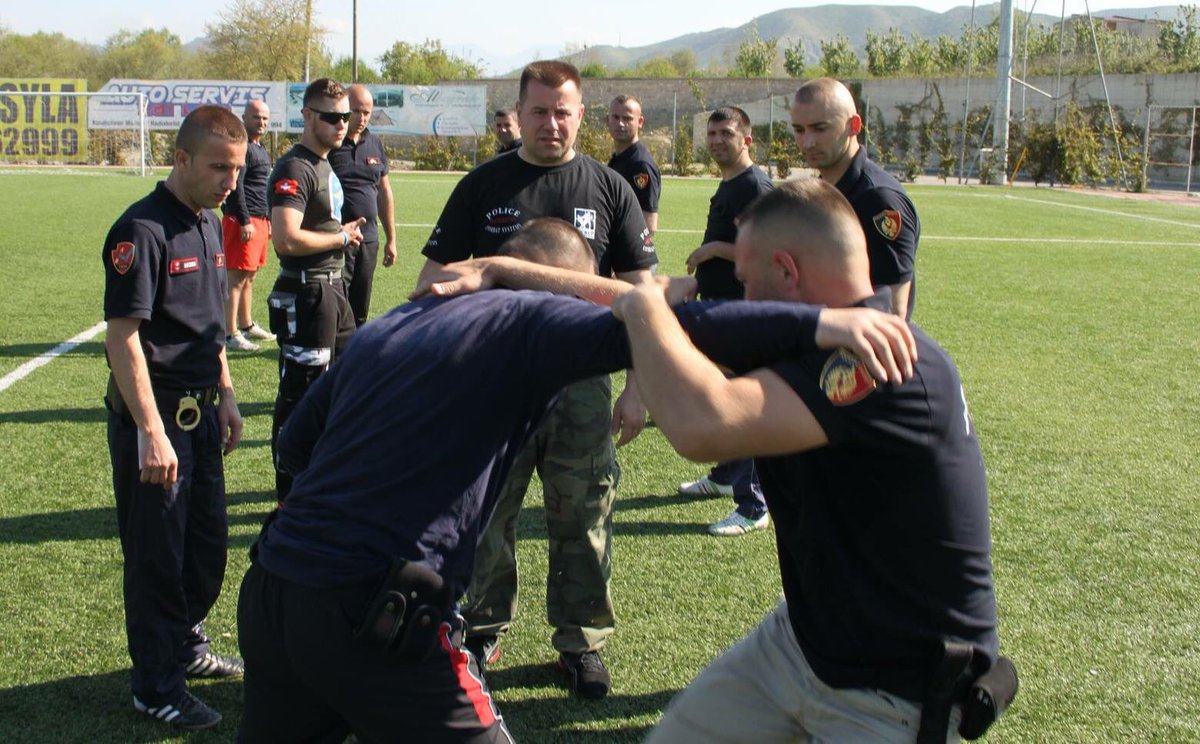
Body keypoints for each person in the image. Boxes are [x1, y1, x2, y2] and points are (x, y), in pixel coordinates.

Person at [237, 216, 916, 743]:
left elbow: (296, 446)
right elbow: (675, 320)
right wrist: (824, 320)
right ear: (567, 288)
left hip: (272, 592)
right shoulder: (534, 318)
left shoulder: (398, 320)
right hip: (372, 611)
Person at [615, 179, 1001, 744]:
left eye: (747, 282)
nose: (742, 300)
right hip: (802, 640)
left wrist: (645, 305)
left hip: (893, 687)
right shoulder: (804, 335)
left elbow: (702, 425)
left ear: (787, 272)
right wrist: (499, 269)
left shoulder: (883, 364)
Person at [417, 60, 656, 699]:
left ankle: (581, 642)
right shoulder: (482, 185)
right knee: (488, 511)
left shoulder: (609, 188)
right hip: (494, 383)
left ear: (582, 114)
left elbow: (641, 294)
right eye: (540, 110)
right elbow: (431, 284)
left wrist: (638, 386)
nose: (552, 122)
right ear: (518, 114)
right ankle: (481, 628)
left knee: (584, 513)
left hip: (582, 384)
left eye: (564, 111)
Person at [102, 104, 248, 730]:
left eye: (237, 168)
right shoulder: (141, 230)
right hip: (155, 423)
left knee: (206, 547)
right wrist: (151, 432)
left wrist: (228, 392)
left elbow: (210, 325)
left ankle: (186, 647)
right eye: (219, 166)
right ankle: (155, 685)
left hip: (201, 416)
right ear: (181, 159)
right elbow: (123, 339)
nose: (229, 180)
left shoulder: (211, 223)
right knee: (157, 557)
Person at [266, 77, 365, 504]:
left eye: (345, 116)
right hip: (308, 294)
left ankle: (327, 482)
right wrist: (340, 239)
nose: (341, 124)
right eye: (331, 117)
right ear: (307, 116)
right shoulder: (296, 167)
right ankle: (289, 495)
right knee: (301, 396)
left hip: (332, 290)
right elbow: (286, 240)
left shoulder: (324, 162)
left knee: (344, 387)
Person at [678, 106, 775, 537]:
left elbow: (769, 252)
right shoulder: (730, 182)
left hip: (743, 310)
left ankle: (753, 504)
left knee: (740, 403)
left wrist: (714, 249)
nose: (717, 140)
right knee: (719, 396)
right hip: (718, 305)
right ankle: (723, 476)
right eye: (712, 133)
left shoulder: (755, 185)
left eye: (726, 133)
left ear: (747, 139)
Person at [791, 77, 921, 319]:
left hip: (857, 352)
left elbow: (893, 311)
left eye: (820, 128)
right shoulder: (820, 190)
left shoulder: (878, 200)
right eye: (799, 130)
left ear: (854, 126)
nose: (807, 142)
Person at [330, 84, 397, 327]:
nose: (362, 118)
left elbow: (384, 192)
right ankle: (335, 345)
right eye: (356, 111)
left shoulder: (375, 144)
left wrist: (391, 238)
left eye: (367, 112)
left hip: (369, 238)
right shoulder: (332, 144)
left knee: (361, 300)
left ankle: (355, 346)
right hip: (338, 238)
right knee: (337, 296)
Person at [221, 99, 275, 352]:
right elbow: (236, 186)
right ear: (244, 118)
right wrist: (243, 219)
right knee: (236, 278)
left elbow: (262, 186)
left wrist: (269, 219)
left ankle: (246, 324)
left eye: (265, 118)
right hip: (245, 221)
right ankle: (229, 332)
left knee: (250, 276)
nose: (261, 123)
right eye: (256, 118)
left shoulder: (260, 148)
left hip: (260, 220)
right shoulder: (241, 148)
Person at [606, 94, 660, 233]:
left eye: (627, 118)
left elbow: (649, 225)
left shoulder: (640, 164)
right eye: (616, 117)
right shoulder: (619, 159)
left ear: (640, 122)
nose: (620, 123)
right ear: (608, 120)